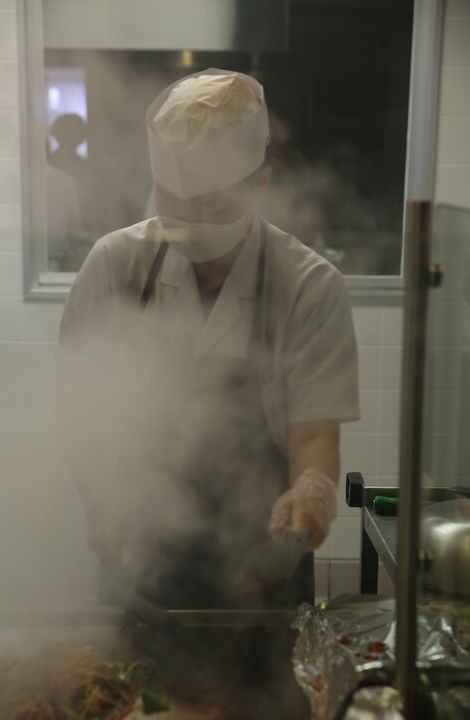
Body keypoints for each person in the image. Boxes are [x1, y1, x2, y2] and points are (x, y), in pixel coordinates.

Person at [58, 69, 359, 609]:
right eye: (173, 203)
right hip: (141, 562)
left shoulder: (309, 285)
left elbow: (315, 431)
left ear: (261, 182)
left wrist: (310, 489)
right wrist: (103, 495)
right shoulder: (114, 266)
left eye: (214, 207)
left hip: (264, 566)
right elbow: (81, 416)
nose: (192, 223)